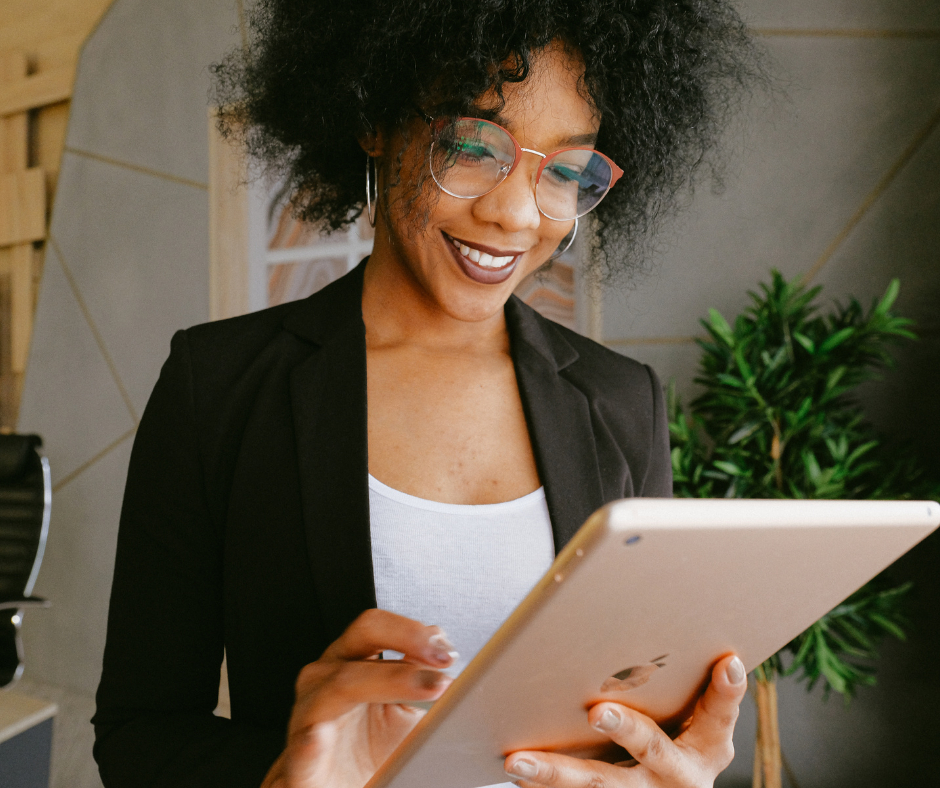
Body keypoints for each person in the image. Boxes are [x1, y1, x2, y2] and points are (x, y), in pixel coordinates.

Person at [93, 1, 760, 786]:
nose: (515, 214)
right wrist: (284, 775)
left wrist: (681, 764)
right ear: (374, 119)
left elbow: (638, 714)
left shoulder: (622, 402)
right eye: (474, 147)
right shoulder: (222, 387)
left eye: (568, 171)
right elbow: (139, 735)